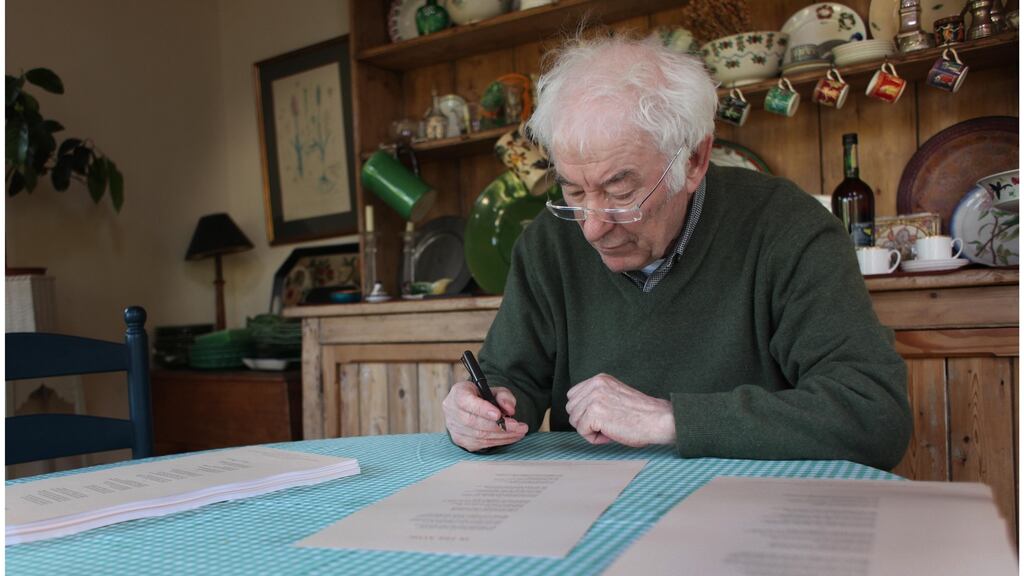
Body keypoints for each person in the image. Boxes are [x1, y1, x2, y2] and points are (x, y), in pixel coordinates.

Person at [442, 33, 911, 470]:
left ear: (694, 160)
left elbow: (874, 414)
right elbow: (509, 381)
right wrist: (478, 412)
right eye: (575, 192)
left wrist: (669, 420)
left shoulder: (786, 227)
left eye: (621, 192)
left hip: (754, 510)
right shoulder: (549, 242)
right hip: (596, 513)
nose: (593, 228)